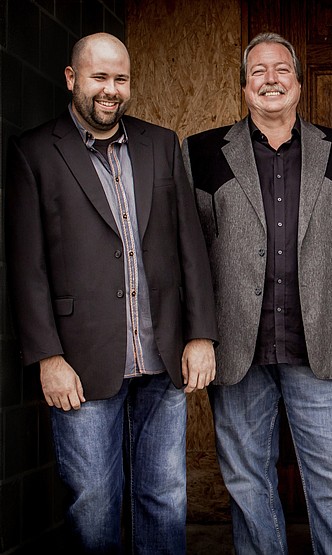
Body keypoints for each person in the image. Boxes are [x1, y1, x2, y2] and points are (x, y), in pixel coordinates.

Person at [4, 33, 218, 553]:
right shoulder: (34, 151)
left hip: (162, 354)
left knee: (164, 496)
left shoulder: (161, 143)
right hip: (80, 361)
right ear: (72, 78)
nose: (111, 90)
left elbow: (191, 244)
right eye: (99, 77)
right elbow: (25, 266)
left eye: (120, 79)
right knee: (95, 501)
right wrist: (48, 357)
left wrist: (201, 335)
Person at [181, 32, 332, 555]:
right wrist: (198, 335)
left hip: (324, 343)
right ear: (244, 87)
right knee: (247, 483)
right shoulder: (204, 152)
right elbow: (190, 256)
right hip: (237, 350)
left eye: (281, 70)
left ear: (298, 84)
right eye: (258, 71)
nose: (270, 79)